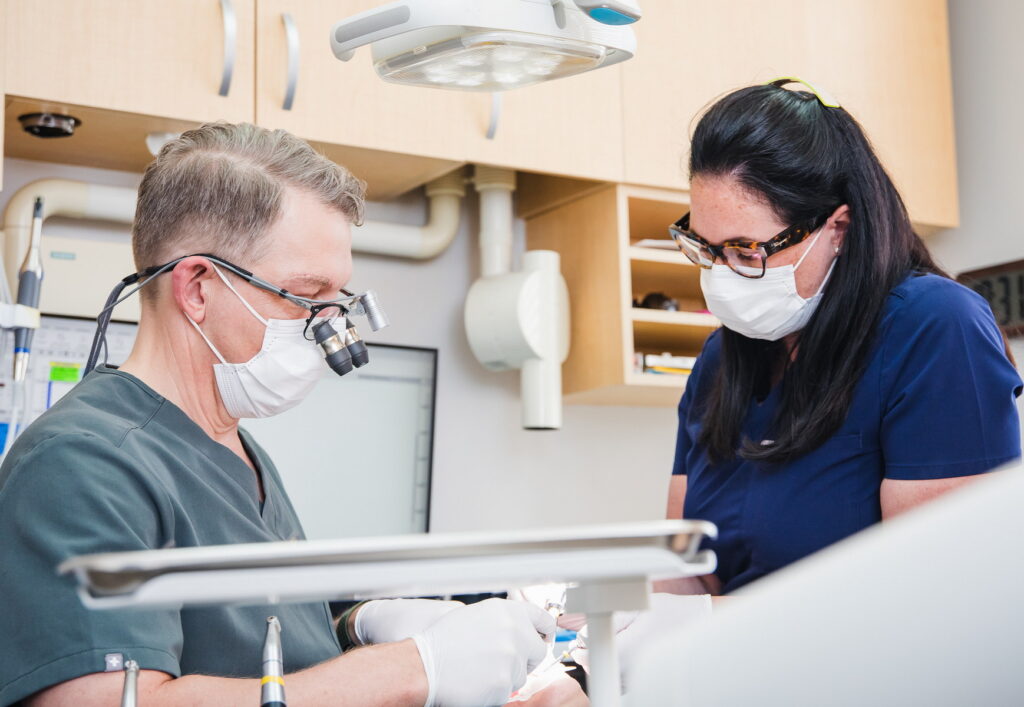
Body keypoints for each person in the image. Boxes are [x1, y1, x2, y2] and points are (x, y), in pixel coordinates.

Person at [0, 123, 585, 707]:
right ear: (198, 288)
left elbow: (253, 649)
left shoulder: (235, 449)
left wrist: (357, 628)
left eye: (338, 302)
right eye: (307, 298)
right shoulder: (81, 466)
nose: (333, 332)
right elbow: (108, 702)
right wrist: (408, 672)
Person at [569, 78, 1023, 687]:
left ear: (838, 228)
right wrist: (589, 645)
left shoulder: (934, 328)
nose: (723, 274)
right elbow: (690, 568)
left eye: (745, 249)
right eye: (704, 247)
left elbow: (935, 594)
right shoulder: (721, 361)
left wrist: (696, 623)